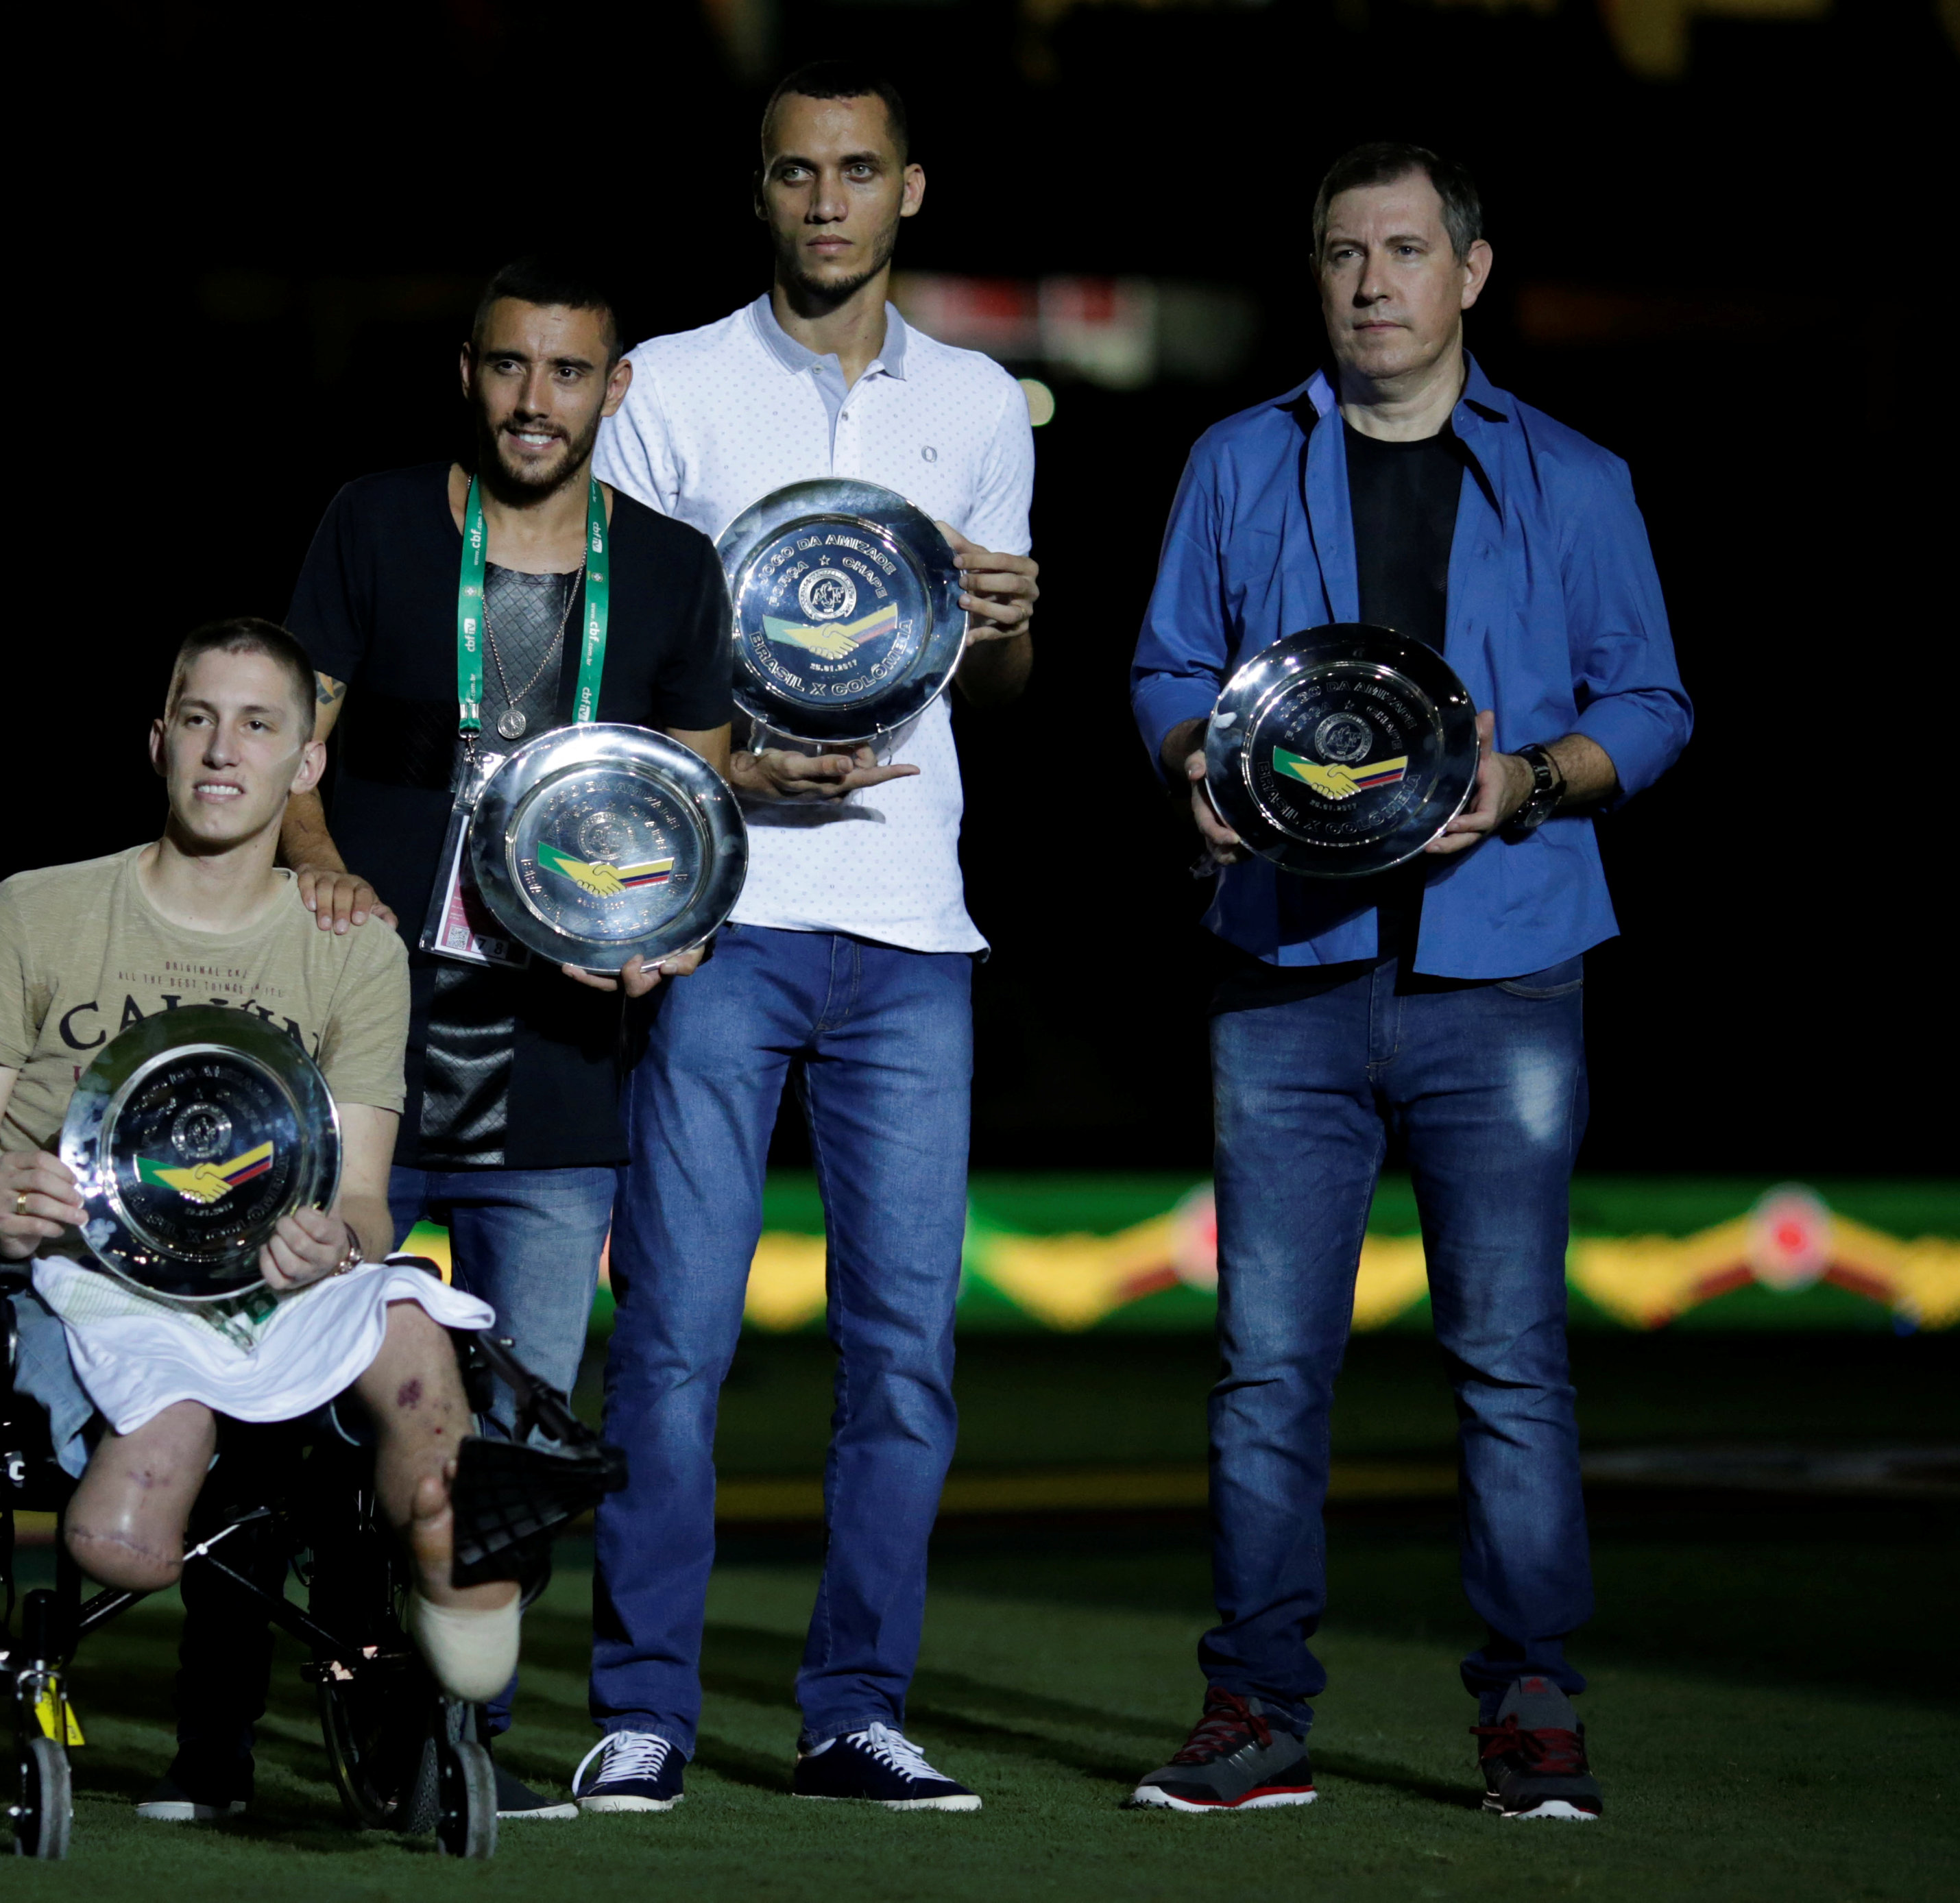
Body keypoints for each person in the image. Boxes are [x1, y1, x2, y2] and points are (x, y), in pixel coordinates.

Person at [1126, 143, 1692, 1820]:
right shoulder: (1239, 460)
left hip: (1504, 971)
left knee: (1509, 1357)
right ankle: (1253, 1710)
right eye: (1341, 254)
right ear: (1316, 279)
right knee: (1266, 1363)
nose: (1371, 282)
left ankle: (1531, 1712)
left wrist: (1531, 783)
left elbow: (1654, 703)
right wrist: (1194, 767)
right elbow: (1166, 663)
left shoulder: (1576, 479)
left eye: (1401, 251)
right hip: (1284, 974)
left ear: (1470, 271)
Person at [153, 263, 736, 1820]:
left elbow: (695, 800)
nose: (535, 400)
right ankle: (214, 1742)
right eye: (509, 367)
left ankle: (444, 1738)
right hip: (362, 1027)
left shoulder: (675, 571)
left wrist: (666, 927)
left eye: (568, 371)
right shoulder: (376, 518)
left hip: (558, 1051)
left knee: (513, 1421)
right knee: (270, 1378)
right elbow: (290, 734)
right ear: (465, 375)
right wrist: (324, 857)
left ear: (616, 388)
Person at [574, 61, 1038, 1814]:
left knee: (902, 1352)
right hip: (722, 917)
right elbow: (609, 676)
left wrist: (1006, 621)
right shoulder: (670, 388)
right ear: (757, 191)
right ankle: (645, 1705)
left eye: (858, 170)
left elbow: (991, 676)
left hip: (915, 926)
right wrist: (727, 769)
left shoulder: (982, 400)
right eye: (795, 173)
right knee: (678, 1336)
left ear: (909, 189)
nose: (827, 200)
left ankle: (854, 1705)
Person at [0, 620, 524, 1813]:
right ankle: (141, 1499)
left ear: (307, 767)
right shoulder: (36, 914)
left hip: (272, 1285)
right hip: (75, 1278)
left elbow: (370, 1202)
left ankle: (449, 1548)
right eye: (199, 719)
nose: (224, 752)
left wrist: (340, 1239)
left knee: (409, 1325)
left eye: (259, 725)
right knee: (148, 1453)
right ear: (158, 742)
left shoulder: (353, 950)